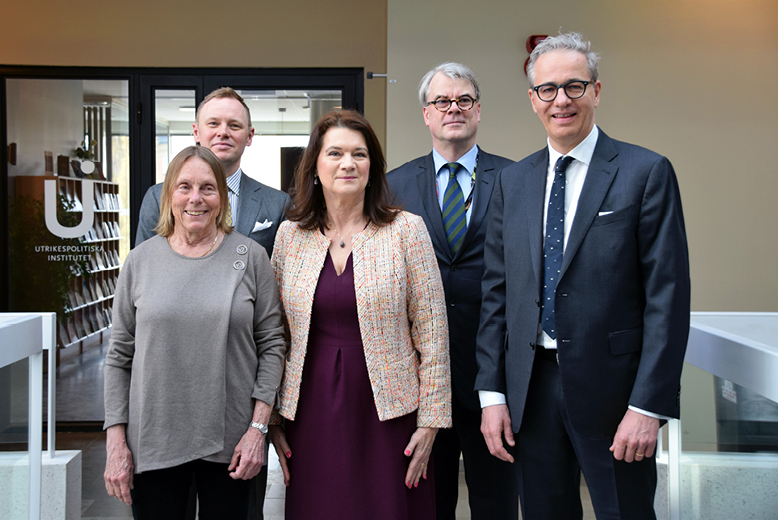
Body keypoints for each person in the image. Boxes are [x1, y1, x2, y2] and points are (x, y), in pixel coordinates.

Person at [475, 32, 691, 520]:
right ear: (533, 100)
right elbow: (497, 294)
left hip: (616, 394)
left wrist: (648, 406)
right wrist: (491, 394)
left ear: (596, 90)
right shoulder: (513, 182)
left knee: (625, 511)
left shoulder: (645, 172)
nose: (561, 100)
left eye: (574, 86)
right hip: (530, 390)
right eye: (547, 90)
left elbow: (668, 298)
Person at [268, 109, 451, 520]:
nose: (348, 163)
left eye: (359, 154)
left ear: (373, 167)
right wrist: (275, 420)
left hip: (389, 411)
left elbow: (433, 332)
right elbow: (275, 332)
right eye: (335, 153)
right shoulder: (289, 237)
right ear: (315, 165)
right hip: (309, 409)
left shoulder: (406, 230)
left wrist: (432, 421)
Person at [103, 146, 286, 519]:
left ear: (222, 197)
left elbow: (273, 344)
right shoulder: (140, 262)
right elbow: (119, 357)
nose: (195, 198)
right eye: (184, 186)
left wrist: (258, 430)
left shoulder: (251, 257)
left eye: (207, 188)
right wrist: (115, 442)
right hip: (153, 440)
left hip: (233, 443)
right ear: (169, 195)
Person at [387, 62, 518, 520]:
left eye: (464, 100)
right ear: (426, 114)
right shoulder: (394, 186)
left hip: (493, 372)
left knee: (495, 498)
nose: (453, 109)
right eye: (442, 101)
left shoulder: (516, 179)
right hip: (423, 374)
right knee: (427, 498)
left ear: (478, 110)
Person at [136, 87, 290, 258]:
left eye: (234, 125)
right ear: (196, 132)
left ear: (249, 136)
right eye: (213, 124)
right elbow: (144, 268)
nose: (223, 132)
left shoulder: (278, 204)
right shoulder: (158, 197)